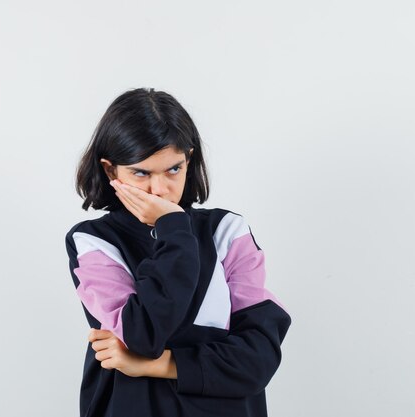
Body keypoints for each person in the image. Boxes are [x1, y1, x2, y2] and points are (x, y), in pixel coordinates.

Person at [64, 87, 291, 417]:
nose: (160, 189)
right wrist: (174, 230)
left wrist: (155, 365)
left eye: (173, 169)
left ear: (189, 160)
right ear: (111, 171)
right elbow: (143, 335)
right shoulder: (94, 242)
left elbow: (258, 360)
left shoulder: (227, 232)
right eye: (141, 173)